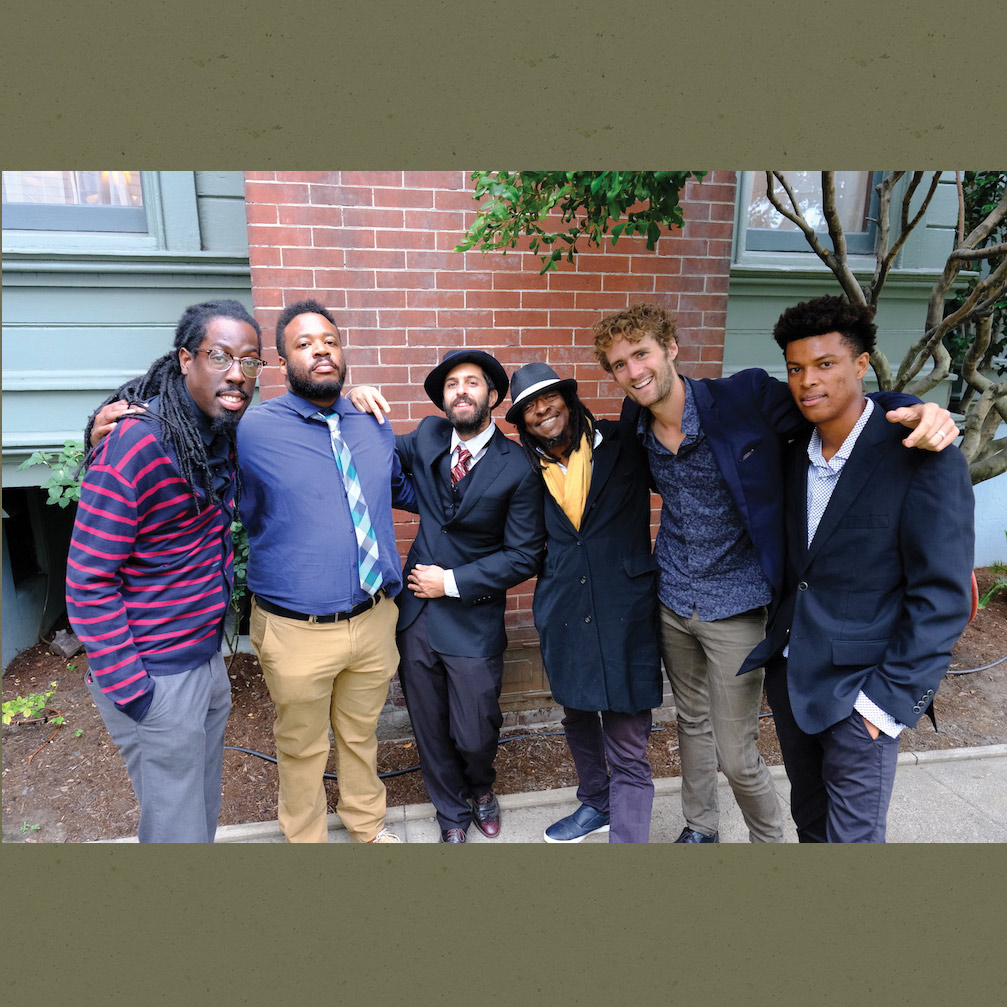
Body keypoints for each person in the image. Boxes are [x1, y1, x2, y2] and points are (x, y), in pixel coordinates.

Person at [593, 302, 959, 843]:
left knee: (737, 753)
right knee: (690, 722)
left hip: (738, 604)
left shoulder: (743, 397)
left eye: (641, 354)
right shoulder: (636, 421)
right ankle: (701, 826)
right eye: (619, 364)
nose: (634, 371)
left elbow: (833, 404)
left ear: (670, 348)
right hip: (673, 596)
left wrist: (914, 407)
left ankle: (768, 842)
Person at [739, 295, 974, 842]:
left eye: (826, 364)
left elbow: (943, 597)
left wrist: (885, 705)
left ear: (862, 364)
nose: (807, 382)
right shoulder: (792, 448)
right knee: (811, 829)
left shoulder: (921, 454)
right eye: (795, 368)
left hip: (862, 693)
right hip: (793, 680)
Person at [67, 299, 263, 842]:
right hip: (156, 676)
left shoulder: (215, 432)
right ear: (185, 359)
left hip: (202, 660)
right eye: (220, 356)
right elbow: (88, 579)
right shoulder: (138, 444)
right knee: (176, 829)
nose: (237, 373)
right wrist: (134, 689)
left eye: (250, 361)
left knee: (199, 811)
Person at [236, 300, 415, 844]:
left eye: (330, 342)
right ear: (282, 361)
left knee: (362, 736)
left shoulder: (372, 421)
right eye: (304, 343)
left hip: (373, 618)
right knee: (301, 746)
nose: (321, 351)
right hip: (296, 629)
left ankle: (367, 825)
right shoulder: (251, 430)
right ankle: (306, 841)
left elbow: (401, 491)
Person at [354, 349, 545, 842]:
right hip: (417, 614)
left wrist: (452, 581)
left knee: (475, 729)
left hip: (472, 617)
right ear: (443, 398)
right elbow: (370, 445)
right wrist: (355, 400)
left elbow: (523, 556)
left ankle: (481, 787)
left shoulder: (518, 467)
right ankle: (451, 814)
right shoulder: (428, 435)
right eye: (452, 384)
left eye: (472, 382)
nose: (461, 390)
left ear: (493, 396)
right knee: (429, 726)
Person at [507, 362, 662, 843]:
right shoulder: (528, 469)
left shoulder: (622, 441)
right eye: (529, 407)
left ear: (568, 398)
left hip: (624, 610)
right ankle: (596, 803)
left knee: (627, 735)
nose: (542, 410)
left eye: (549, 397)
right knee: (577, 716)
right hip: (565, 614)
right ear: (523, 421)